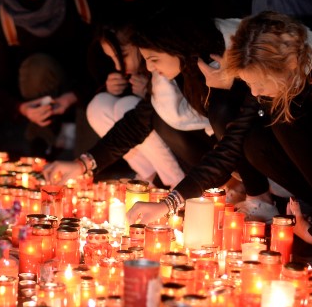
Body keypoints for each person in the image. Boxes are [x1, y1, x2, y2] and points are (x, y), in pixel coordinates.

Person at [127, 11, 312, 257]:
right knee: (254, 127)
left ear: (287, 65)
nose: (255, 93)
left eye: (258, 83)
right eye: (249, 84)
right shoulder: (275, 78)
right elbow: (229, 147)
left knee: (280, 120)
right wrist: (167, 203)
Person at [44, 10, 273, 204]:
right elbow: (137, 122)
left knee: (217, 111)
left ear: (173, 47)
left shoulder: (219, 61)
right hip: (222, 156)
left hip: (262, 152)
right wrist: (83, 164)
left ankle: (257, 197)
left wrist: (173, 201)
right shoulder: (175, 75)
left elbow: (237, 129)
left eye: (153, 60)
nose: (151, 68)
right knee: (143, 111)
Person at [0, 0, 95, 157]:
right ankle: (42, 146)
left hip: (88, 94)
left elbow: (103, 60)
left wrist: (71, 97)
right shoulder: (4, 12)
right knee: (37, 67)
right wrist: (22, 108)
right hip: (38, 98)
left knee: (91, 166)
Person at [85, 20, 184, 187]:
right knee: (98, 105)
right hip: (146, 134)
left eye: (122, 56)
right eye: (112, 58)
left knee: (127, 106)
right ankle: (148, 177)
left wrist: (150, 92)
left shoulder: (165, 65)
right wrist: (112, 88)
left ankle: (176, 183)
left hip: (181, 147)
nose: (118, 66)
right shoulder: (130, 71)